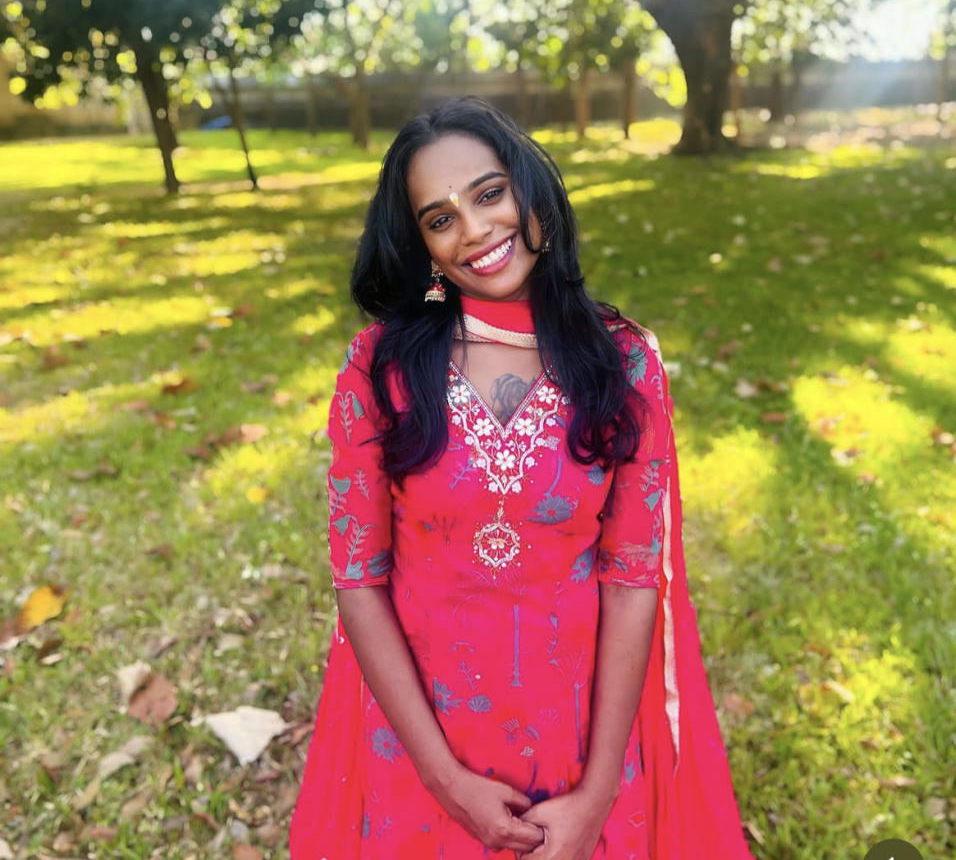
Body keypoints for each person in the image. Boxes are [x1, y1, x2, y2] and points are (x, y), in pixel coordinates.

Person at [290, 97, 752, 860]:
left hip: (579, 740)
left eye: (489, 193)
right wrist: (444, 780)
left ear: (531, 189)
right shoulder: (378, 370)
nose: (474, 231)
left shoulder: (624, 362)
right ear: (423, 247)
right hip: (424, 740)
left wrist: (599, 792)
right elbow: (358, 581)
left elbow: (633, 580)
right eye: (439, 219)